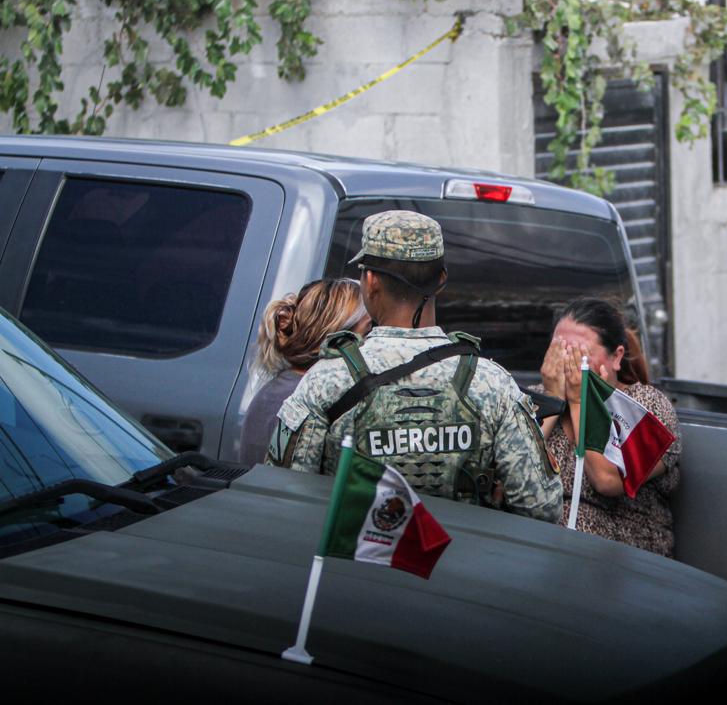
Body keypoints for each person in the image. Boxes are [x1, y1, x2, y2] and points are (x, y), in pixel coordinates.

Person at [266, 210, 561, 523]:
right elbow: (542, 506)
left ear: (370, 281)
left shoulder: (326, 379)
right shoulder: (490, 382)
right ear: (442, 280)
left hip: (353, 566)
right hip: (460, 565)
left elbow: (283, 496)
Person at [537, 298, 680, 556]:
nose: (567, 363)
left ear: (617, 357)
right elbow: (511, 476)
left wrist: (582, 402)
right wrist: (552, 402)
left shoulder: (645, 408)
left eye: (579, 354)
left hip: (625, 560)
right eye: (560, 352)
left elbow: (606, 480)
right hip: (545, 553)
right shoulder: (537, 400)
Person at [240, 278, 368, 464]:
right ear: (339, 339)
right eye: (368, 330)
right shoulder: (307, 399)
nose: (371, 342)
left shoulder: (284, 388)